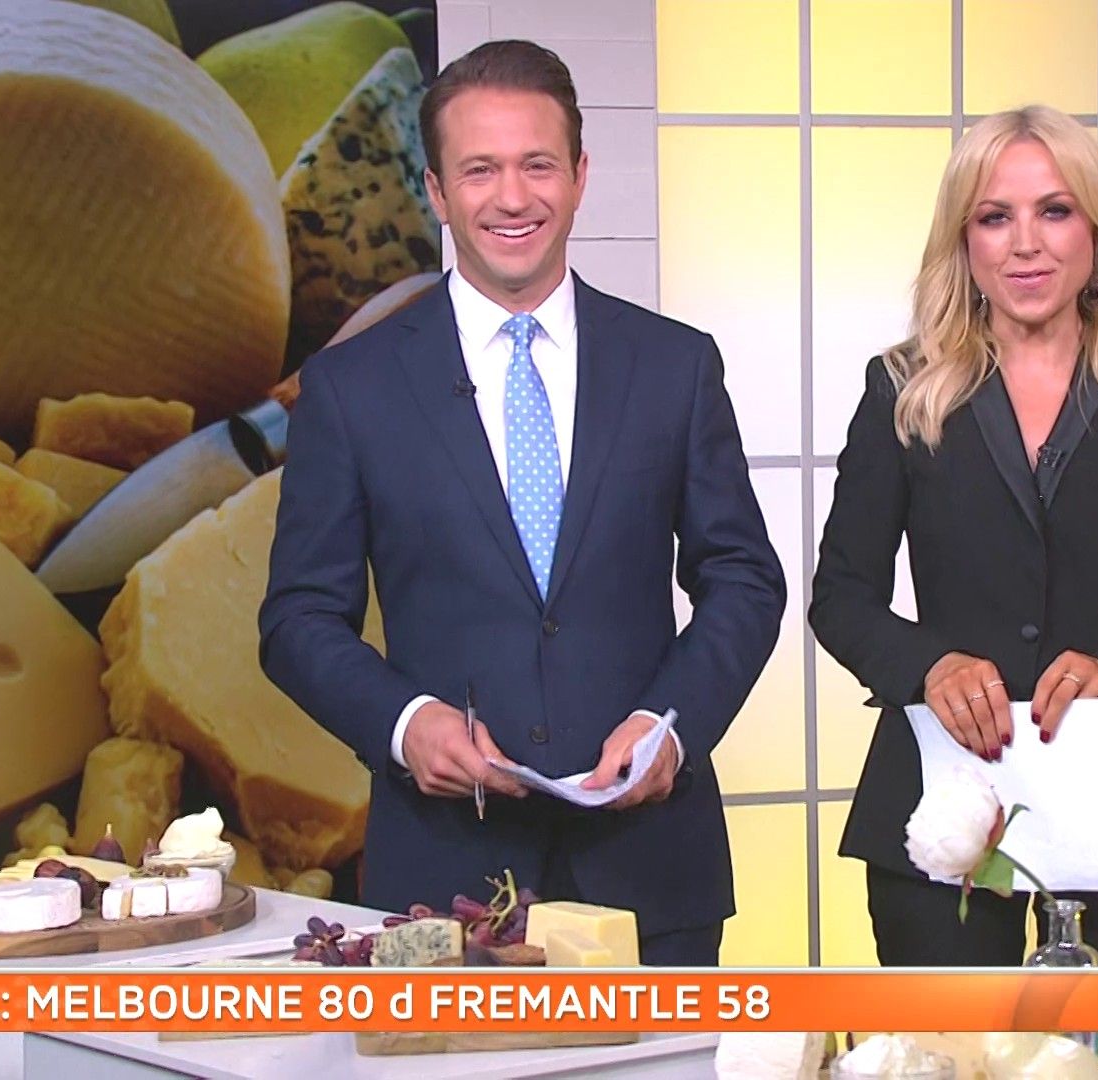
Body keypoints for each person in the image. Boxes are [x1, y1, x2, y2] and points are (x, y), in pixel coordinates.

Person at [258, 40, 787, 966]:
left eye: (538, 165)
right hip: (440, 882)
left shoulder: (675, 365)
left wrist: (673, 726)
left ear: (580, 176)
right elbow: (298, 619)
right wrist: (404, 723)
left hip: (652, 880)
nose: (512, 197)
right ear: (436, 190)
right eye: (480, 170)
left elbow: (744, 579)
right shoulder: (349, 389)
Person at [808, 104, 1098, 1067]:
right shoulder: (902, 391)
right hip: (940, 807)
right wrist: (928, 665)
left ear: (1095, 229)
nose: (1025, 244)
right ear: (963, 241)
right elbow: (839, 596)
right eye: (994, 217)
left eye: (1054, 211)